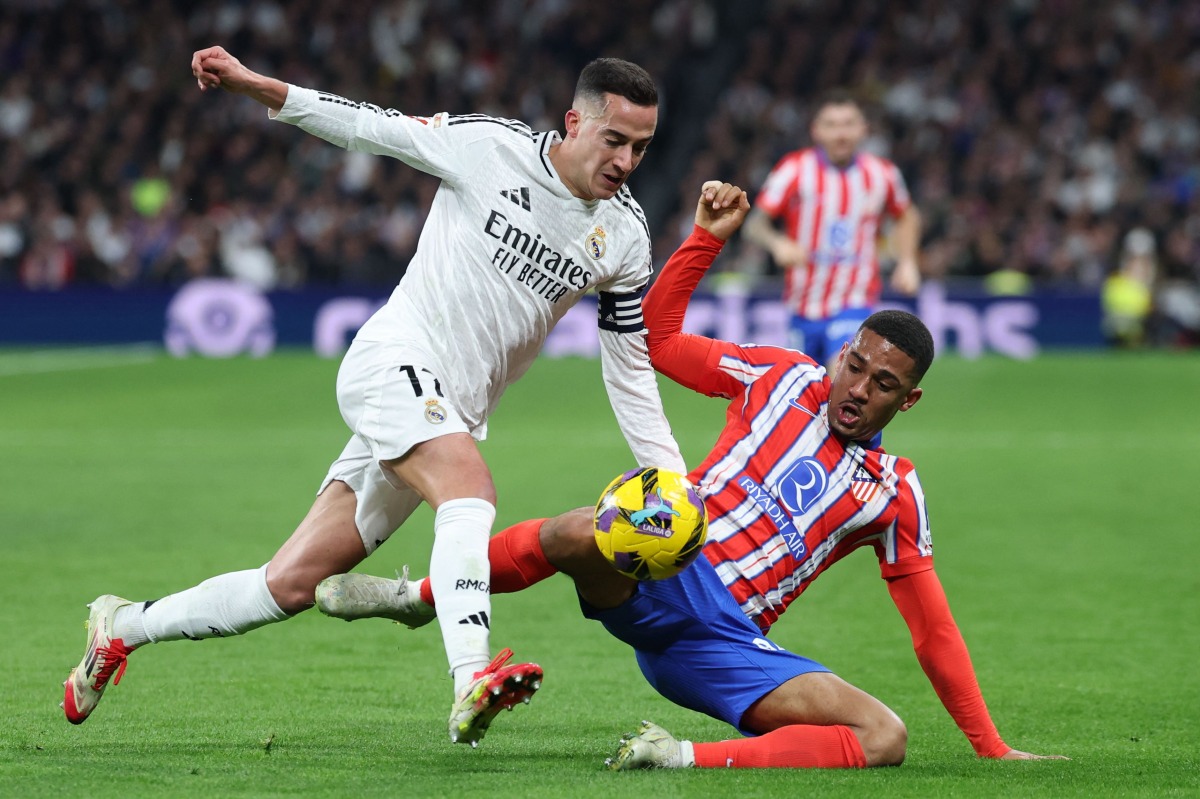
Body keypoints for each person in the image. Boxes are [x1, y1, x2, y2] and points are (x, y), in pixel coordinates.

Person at [61, 46, 688, 749]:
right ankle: (470, 681)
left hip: (450, 408)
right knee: (469, 492)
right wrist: (252, 85)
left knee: (287, 585)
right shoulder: (488, 148)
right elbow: (367, 125)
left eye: (641, 147)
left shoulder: (626, 236)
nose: (628, 161)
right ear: (575, 122)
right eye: (616, 140)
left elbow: (629, 365)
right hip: (394, 361)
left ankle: (123, 626)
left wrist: (671, 476)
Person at [320, 182, 1066, 768]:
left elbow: (931, 626)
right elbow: (663, 338)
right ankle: (419, 596)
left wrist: (989, 744)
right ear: (842, 357)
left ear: (910, 399)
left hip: (726, 641)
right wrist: (706, 239)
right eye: (855, 365)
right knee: (584, 527)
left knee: (883, 736)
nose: (857, 388)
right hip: (668, 556)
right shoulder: (779, 376)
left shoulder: (895, 492)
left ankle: (671, 753)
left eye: (882, 384)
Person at [743, 90, 922, 373]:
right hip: (803, 305)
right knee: (806, 392)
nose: (841, 133)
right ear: (817, 130)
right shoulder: (794, 169)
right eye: (831, 124)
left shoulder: (882, 174)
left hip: (855, 300)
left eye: (848, 123)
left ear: (863, 129)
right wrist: (778, 244)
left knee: (841, 374)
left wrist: (908, 261)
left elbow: (907, 215)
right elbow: (755, 225)